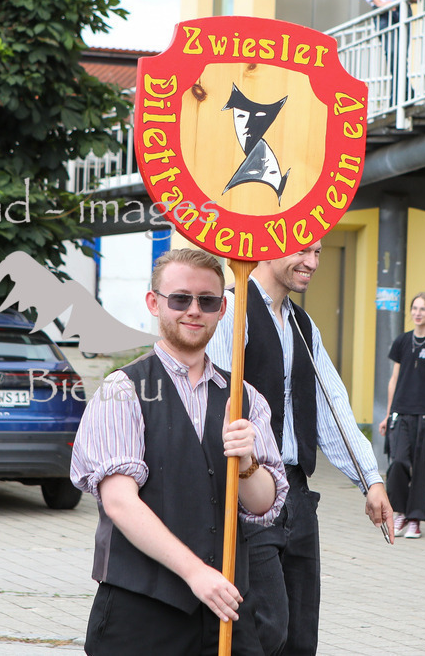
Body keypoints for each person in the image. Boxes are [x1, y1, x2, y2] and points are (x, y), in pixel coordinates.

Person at [71, 248, 288, 655]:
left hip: (225, 613)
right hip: (142, 614)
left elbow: (263, 506)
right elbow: (119, 503)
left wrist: (246, 463)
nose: (194, 310)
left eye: (207, 301)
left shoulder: (244, 397)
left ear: (222, 309)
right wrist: (196, 574)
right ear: (154, 302)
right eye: (180, 298)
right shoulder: (122, 391)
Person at [206, 240, 394, 656]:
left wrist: (371, 481)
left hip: (298, 494)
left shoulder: (304, 326)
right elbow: (215, 406)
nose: (312, 263)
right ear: (268, 248)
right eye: (303, 251)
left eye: (319, 253)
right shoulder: (231, 312)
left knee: (302, 634)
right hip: (247, 491)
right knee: (265, 628)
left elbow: (333, 407)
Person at [378, 292, 425, 540]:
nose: (417, 313)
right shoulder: (402, 341)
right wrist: (388, 415)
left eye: (423, 309)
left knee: (422, 468)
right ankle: (400, 511)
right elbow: (394, 379)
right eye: (414, 308)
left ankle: (415, 519)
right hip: (401, 413)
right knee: (398, 462)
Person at [359, 0, 423, 106]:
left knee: (400, 54)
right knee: (393, 53)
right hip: (382, 11)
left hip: (403, 8)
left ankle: (399, 97)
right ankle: (404, 95)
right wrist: (381, 3)